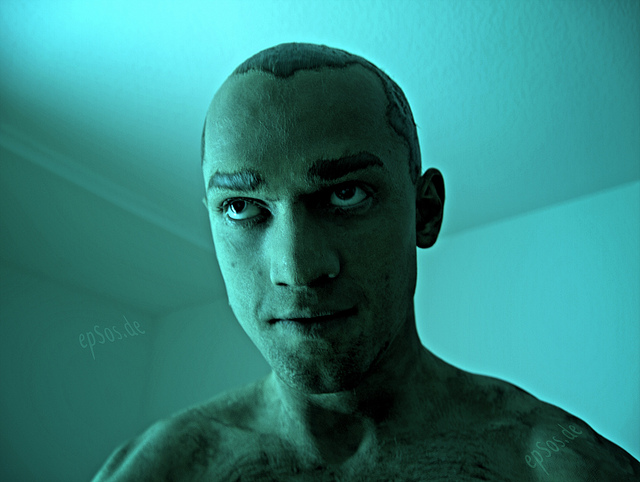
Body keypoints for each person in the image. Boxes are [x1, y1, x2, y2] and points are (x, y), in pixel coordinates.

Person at [93, 42, 639, 481]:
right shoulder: (163, 468)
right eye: (241, 207)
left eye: (346, 194)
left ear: (425, 213)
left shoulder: (555, 465)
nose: (296, 269)